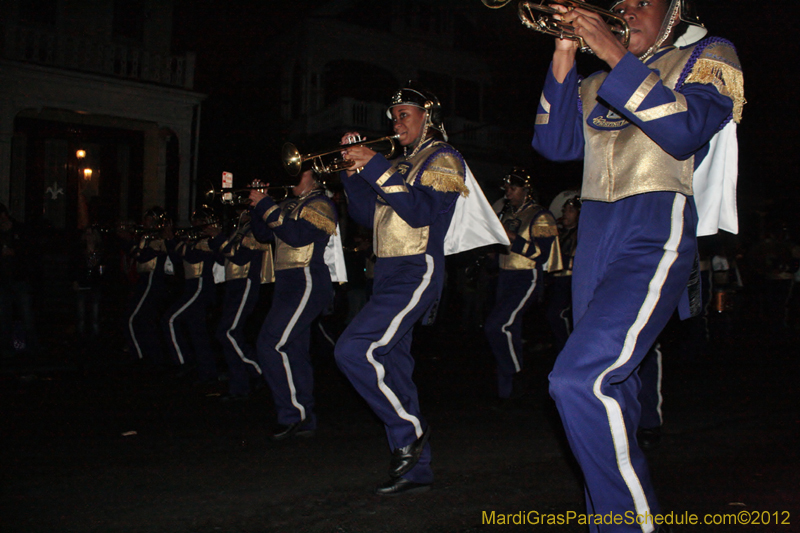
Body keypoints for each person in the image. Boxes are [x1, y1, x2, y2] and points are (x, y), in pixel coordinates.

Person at [531, 0, 744, 530]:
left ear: (674, 9)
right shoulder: (598, 79)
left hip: (655, 226)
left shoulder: (707, 53)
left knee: (580, 380)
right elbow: (553, 145)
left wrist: (604, 43)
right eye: (616, 2)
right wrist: (564, 46)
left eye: (638, 0)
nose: (624, 9)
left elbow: (685, 130)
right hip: (596, 239)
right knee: (610, 393)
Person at [334, 83, 507, 496]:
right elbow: (362, 214)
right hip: (387, 272)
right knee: (394, 366)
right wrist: (351, 172)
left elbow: (420, 212)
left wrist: (375, 165)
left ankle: (410, 432)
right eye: (393, 117)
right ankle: (417, 470)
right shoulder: (397, 162)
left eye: (405, 114)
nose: (397, 123)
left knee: (353, 349)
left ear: (428, 117)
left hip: (418, 267)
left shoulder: (444, 157)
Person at [248, 169, 338, 439]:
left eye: (301, 172)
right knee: (293, 350)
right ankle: (304, 416)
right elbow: (263, 234)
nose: (293, 176)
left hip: (307, 280)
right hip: (287, 284)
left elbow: (298, 236)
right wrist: (258, 204)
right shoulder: (288, 204)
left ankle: (293, 414)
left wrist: (266, 204)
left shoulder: (321, 203)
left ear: (315, 177)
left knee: (270, 343)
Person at [484, 168, 560, 401]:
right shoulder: (507, 214)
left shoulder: (541, 215)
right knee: (510, 331)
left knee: (497, 325)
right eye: (506, 188)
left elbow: (543, 254)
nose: (508, 193)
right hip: (505, 277)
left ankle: (518, 375)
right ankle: (507, 393)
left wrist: (515, 240)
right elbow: (502, 248)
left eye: (512, 188)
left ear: (526, 190)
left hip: (527, 277)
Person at [212, 206, 273, 399]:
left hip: (246, 281)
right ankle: (239, 386)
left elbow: (240, 258)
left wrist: (219, 238)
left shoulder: (255, 228)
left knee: (228, 332)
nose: (239, 212)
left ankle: (260, 372)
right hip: (233, 284)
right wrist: (215, 240)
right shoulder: (239, 230)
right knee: (229, 333)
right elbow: (223, 260)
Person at [161, 207, 221, 383]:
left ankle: (184, 361)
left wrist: (174, 240)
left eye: (199, 221)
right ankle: (208, 373)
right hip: (192, 286)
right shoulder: (194, 239)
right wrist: (171, 241)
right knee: (198, 332)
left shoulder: (209, 240)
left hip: (201, 286)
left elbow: (194, 256)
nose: (194, 225)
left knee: (169, 319)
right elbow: (178, 259)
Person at [126, 206, 175, 367]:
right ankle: (153, 357)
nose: (145, 222)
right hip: (146, 280)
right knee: (146, 321)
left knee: (132, 318)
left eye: (148, 219)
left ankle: (140, 357)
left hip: (152, 280)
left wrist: (133, 247)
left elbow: (142, 256)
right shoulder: (147, 237)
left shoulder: (159, 239)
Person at [546, 195, 580, 353]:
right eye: (564, 210)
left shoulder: (582, 235)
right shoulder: (559, 234)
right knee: (552, 317)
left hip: (571, 282)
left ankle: (570, 351)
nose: (566, 213)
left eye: (571, 211)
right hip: (555, 282)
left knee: (559, 315)